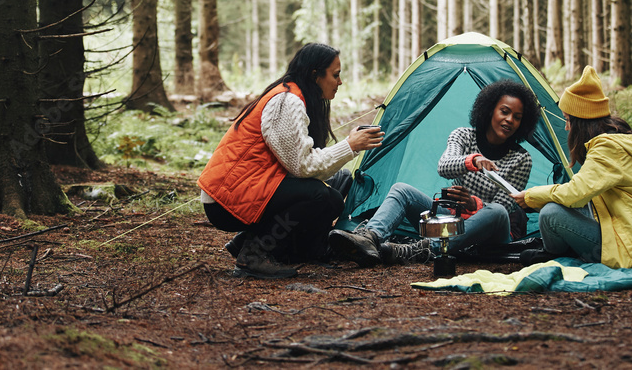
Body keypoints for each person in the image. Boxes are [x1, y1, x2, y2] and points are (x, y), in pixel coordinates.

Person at [197, 43, 384, 278]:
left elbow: (304, 167)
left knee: (340, 180)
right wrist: (350, 146)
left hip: (251, 187)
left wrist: (348, 146)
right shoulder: (287, 101)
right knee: (324, 197)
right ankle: (254, 254)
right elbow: (303, 167)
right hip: (227, 199)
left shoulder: (297, 97)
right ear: (315, 75)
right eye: (335, 75)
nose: (340, 81)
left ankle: (252, 242)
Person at [328, 79, 540, 267]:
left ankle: (424, 249)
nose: (510, 120)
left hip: (491, 232)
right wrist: (473, 160)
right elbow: (445, 166)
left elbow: (503, 207)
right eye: (505, 111)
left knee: (496, 212)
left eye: (517, 117)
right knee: (402, 190)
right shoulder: (464, 136)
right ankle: (370, 238)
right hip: (454, 222)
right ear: (490, 110)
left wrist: (474, 204)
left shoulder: (521, 159)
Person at [511, 66, 632, 269]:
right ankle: (558, 252)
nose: (566, 127)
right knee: (557, 206)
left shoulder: (608, 148)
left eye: (569, 120)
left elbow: (576, 193)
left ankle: (553, 255)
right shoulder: (614, 142)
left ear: (582, 121)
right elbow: (583, 194)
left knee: (551, 213)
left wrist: (531, 195)